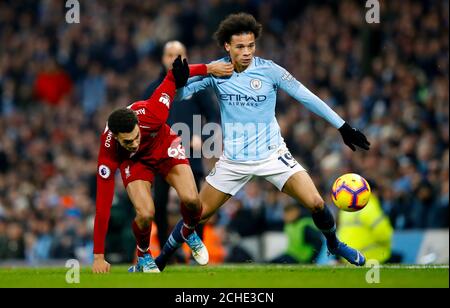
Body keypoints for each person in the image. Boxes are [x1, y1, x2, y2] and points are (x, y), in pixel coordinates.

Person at [156, 13, 370, 270]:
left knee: (316, 203)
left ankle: (334, 244)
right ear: (227, 46)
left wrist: (343, 127)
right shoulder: (216, 70)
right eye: (240, 47)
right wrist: (178, 81)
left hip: (272, 155)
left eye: (251, 45)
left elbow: (307, 96)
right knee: (195, 215)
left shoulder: (270, 70)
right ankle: (160, 260)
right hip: (234, 161)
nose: (247, 52)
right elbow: (180, 97)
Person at [92, 56, 232, 273]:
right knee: (146, 213)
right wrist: (99, 256)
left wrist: (209, 68)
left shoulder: (154, 111)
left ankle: (188, 231)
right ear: (117, 138)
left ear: (138, 125)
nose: (134, 143)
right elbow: (102, 205)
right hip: (135, 162)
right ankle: (144, 255)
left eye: (136, 136)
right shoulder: (109, 151)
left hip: (163, 146)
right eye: (127, 141)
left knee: (193, 202)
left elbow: (173, 76)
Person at [142, 41, 220, 247]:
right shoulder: (152, 89)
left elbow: (214, 115)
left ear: (186, 57)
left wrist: (202, 137)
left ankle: (198, 246)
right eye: (170, 55)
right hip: (160, 157)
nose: (174, 59)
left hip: (189, 155)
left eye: (179, 54)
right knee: (159, 204)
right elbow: (141, 122)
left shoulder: (196, 86)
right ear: (162, 58)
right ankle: (166, 250)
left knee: (193, 202)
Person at [337, 185, 394, 264]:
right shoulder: (370, 207)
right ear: (373, 192)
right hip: (370, 257)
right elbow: (384, 234)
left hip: (348, 257)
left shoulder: (345, 210)